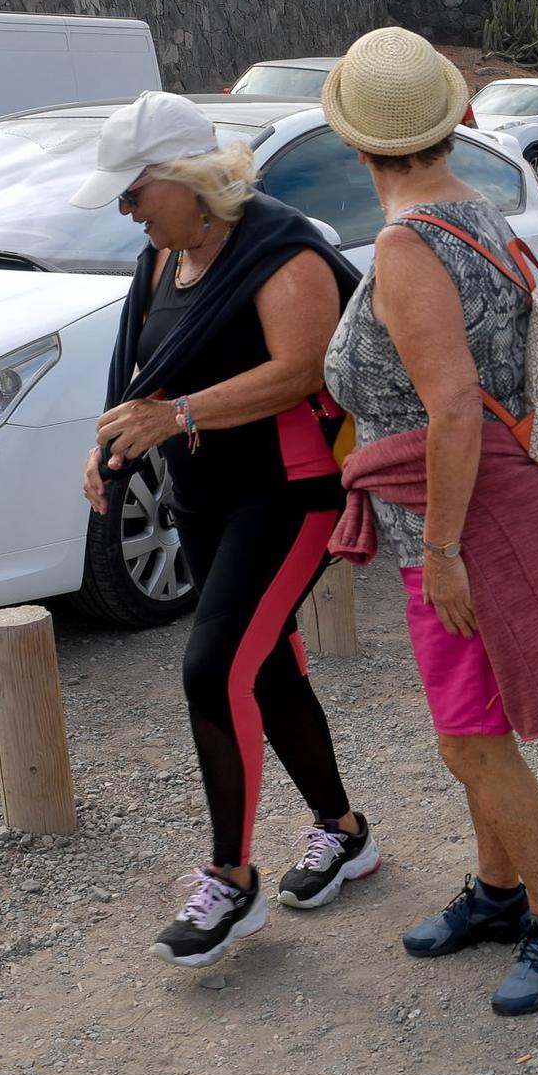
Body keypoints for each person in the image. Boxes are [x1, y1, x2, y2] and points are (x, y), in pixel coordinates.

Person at [319, 26, 538, 1016]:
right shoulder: (480, 210)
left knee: (468, 741)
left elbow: (449, 407)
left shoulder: (406, 246)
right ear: (451, 124)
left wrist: (442, 550)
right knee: (475, 721)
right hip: (500, 497)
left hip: (460, 518)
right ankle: (496, 891)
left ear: (355, 146)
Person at [74, 91, 374, 968]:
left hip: (289, 495)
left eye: (133, 194)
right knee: (266, 665)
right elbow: (145, 372)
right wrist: (111, 448)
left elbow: (305, 368)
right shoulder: (160, 262)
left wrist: (179, 417)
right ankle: (346, 832)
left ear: (182, 178)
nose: (126, 213)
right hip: (206, 499)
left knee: (213, 667)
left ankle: (230, 883)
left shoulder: (280, 249)